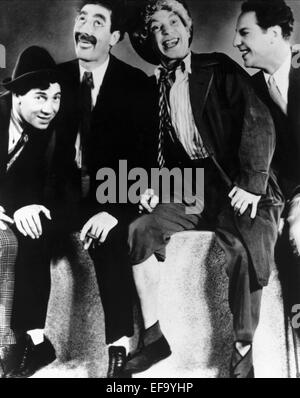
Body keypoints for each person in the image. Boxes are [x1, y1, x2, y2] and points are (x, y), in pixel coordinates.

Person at [125, 0, 284, 378]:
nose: (168, 33)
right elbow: (152, 148)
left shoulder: (218, 67)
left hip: (236, 181)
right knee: (140, 231)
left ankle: (243, 353)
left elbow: (258, 122)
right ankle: (153, 339)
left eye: (174, 22)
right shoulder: (155, 88)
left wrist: (251, 184)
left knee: (245, 248)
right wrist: (150, 186)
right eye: (158, 29)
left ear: (189, 26)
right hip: (190, 186)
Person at [51, 0, 150, 378]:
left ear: (115, 37)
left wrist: (117, 209)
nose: (85, 28)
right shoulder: (54, 79)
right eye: (81, 19)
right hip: (61, 196)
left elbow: (143, 159)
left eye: (97, 21)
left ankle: (118, 350)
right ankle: (30, 342)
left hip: (114, 193)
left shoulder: (135, 84)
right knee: (27, 234)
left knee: (110, 241)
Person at [233, 0, 300, 341]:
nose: (236, 43)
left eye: (245, 33)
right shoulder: (250, 91)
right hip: (282, 196)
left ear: (274, 34)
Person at [0, 46, 61, 378]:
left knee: (35, 230)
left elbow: (52, 180)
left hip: (15, 206)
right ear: (17, 96)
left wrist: (32, 205)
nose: (49, 108)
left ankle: (34, 343)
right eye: (41, 97)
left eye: (56, 98)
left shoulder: (47, 129)